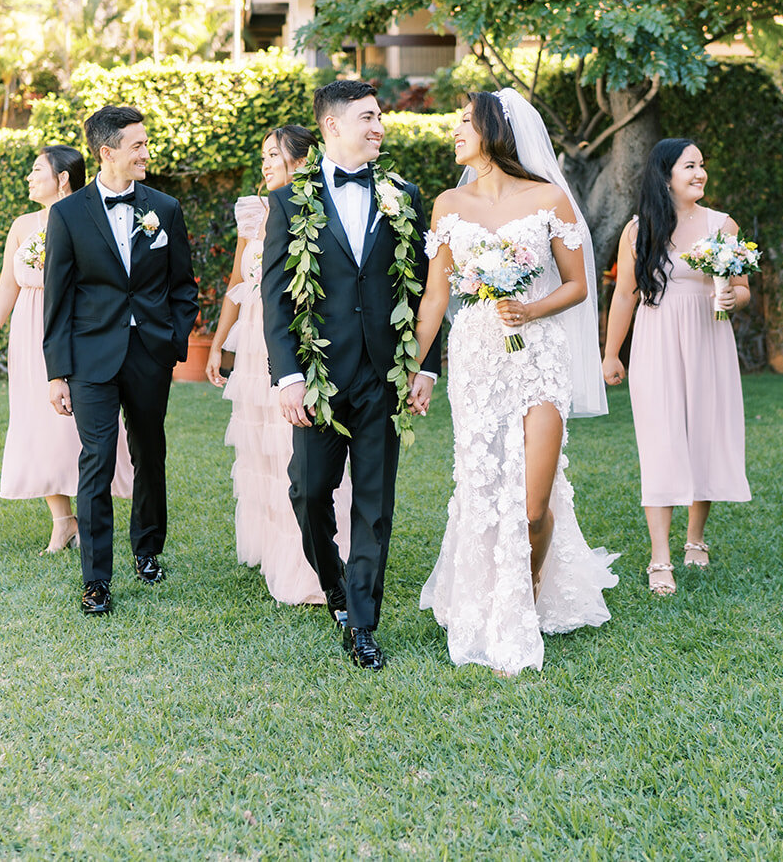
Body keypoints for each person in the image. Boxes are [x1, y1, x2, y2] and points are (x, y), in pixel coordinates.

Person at [411, 89, 616, 676]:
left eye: (463, 123)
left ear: (494, 131)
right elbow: (435, 296)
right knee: (482, 484)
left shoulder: (550, 198)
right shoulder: (449, 204)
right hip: (477, 357)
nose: (453, 132)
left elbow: (577, 284)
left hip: (540, 354)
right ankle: (499, 599)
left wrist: (530, 311)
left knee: (533, 501)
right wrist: (413, 366)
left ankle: (526, 585)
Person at [261, 80, 444, 670]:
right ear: (332, 126)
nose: (379, 127)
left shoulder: (404, 196)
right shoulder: (292, 200)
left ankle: (363, 622)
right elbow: (274, 297)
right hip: (318, 374)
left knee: (374, 501)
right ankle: (334, 584)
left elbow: (428, 290)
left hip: (384, 375)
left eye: (380, 117)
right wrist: (289, 378)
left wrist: (426, 368)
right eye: (367, 117)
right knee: (308, 492)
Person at [42, 106, 199, 615]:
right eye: (137, 145)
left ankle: (148, 549)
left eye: (146, 143)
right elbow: (57, 296)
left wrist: (175, 341)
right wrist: (56, 371)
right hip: (90, 356)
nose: (146, 153)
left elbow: (183, 286)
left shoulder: (165, 209)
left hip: (150, 352)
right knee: (97, 461)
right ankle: (96, 579)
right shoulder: (66, 214)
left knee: (151, 452)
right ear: (106, 153)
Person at [206, 125, 351, 603]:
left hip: (296, 342)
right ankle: (273, 547)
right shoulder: (254, 214)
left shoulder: (318, 211)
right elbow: (238, 281)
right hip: (251, 348)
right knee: (261, 451)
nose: (265, 163)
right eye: (263, 155)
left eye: (274, 155)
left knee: (297, 448)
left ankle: (311, 563)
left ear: (301, 160)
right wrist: (218, 342)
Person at [601, 138, 751, 596]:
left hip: (708, 338)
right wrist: (611, 353)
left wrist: (732, 296)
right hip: (656, 341)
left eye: (702, 165)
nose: (700, 173)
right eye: (690, 166)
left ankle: (696, 539)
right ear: (665, 175)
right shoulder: (638, 229)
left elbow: (743, 288)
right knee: (661, 441)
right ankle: (660, 556)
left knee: (702, 435)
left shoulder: (723, 225)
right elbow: (624, 295)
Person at [0, 145, 132, 555]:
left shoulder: (87, 214)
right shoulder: (22, 224)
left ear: (63, 177)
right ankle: (62, 520)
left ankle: (91, 513)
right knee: (38, 421)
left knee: (79, 423)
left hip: (75, 326)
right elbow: (8, 282)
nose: (29, 178)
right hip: (29, 330)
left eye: (36, 170)